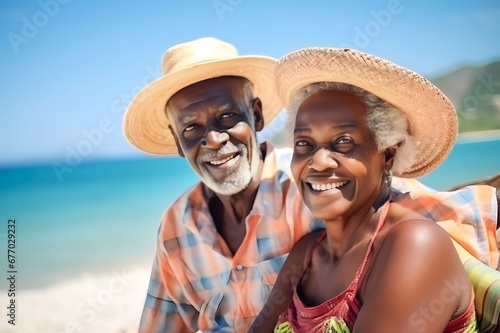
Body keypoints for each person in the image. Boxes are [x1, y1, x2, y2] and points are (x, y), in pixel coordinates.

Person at [122, 38, 498, 332]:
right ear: (176, 140)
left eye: (227, 117)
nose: (214, 139)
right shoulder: (179, 228)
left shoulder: (333, 195)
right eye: (192, 128)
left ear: (254, 114)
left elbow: (425, 210)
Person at [250, 47, 480, 332]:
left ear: (387, 155)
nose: (319, 162)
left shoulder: (415, 243)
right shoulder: (307, 253)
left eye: (343, 142)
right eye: (304, 144)